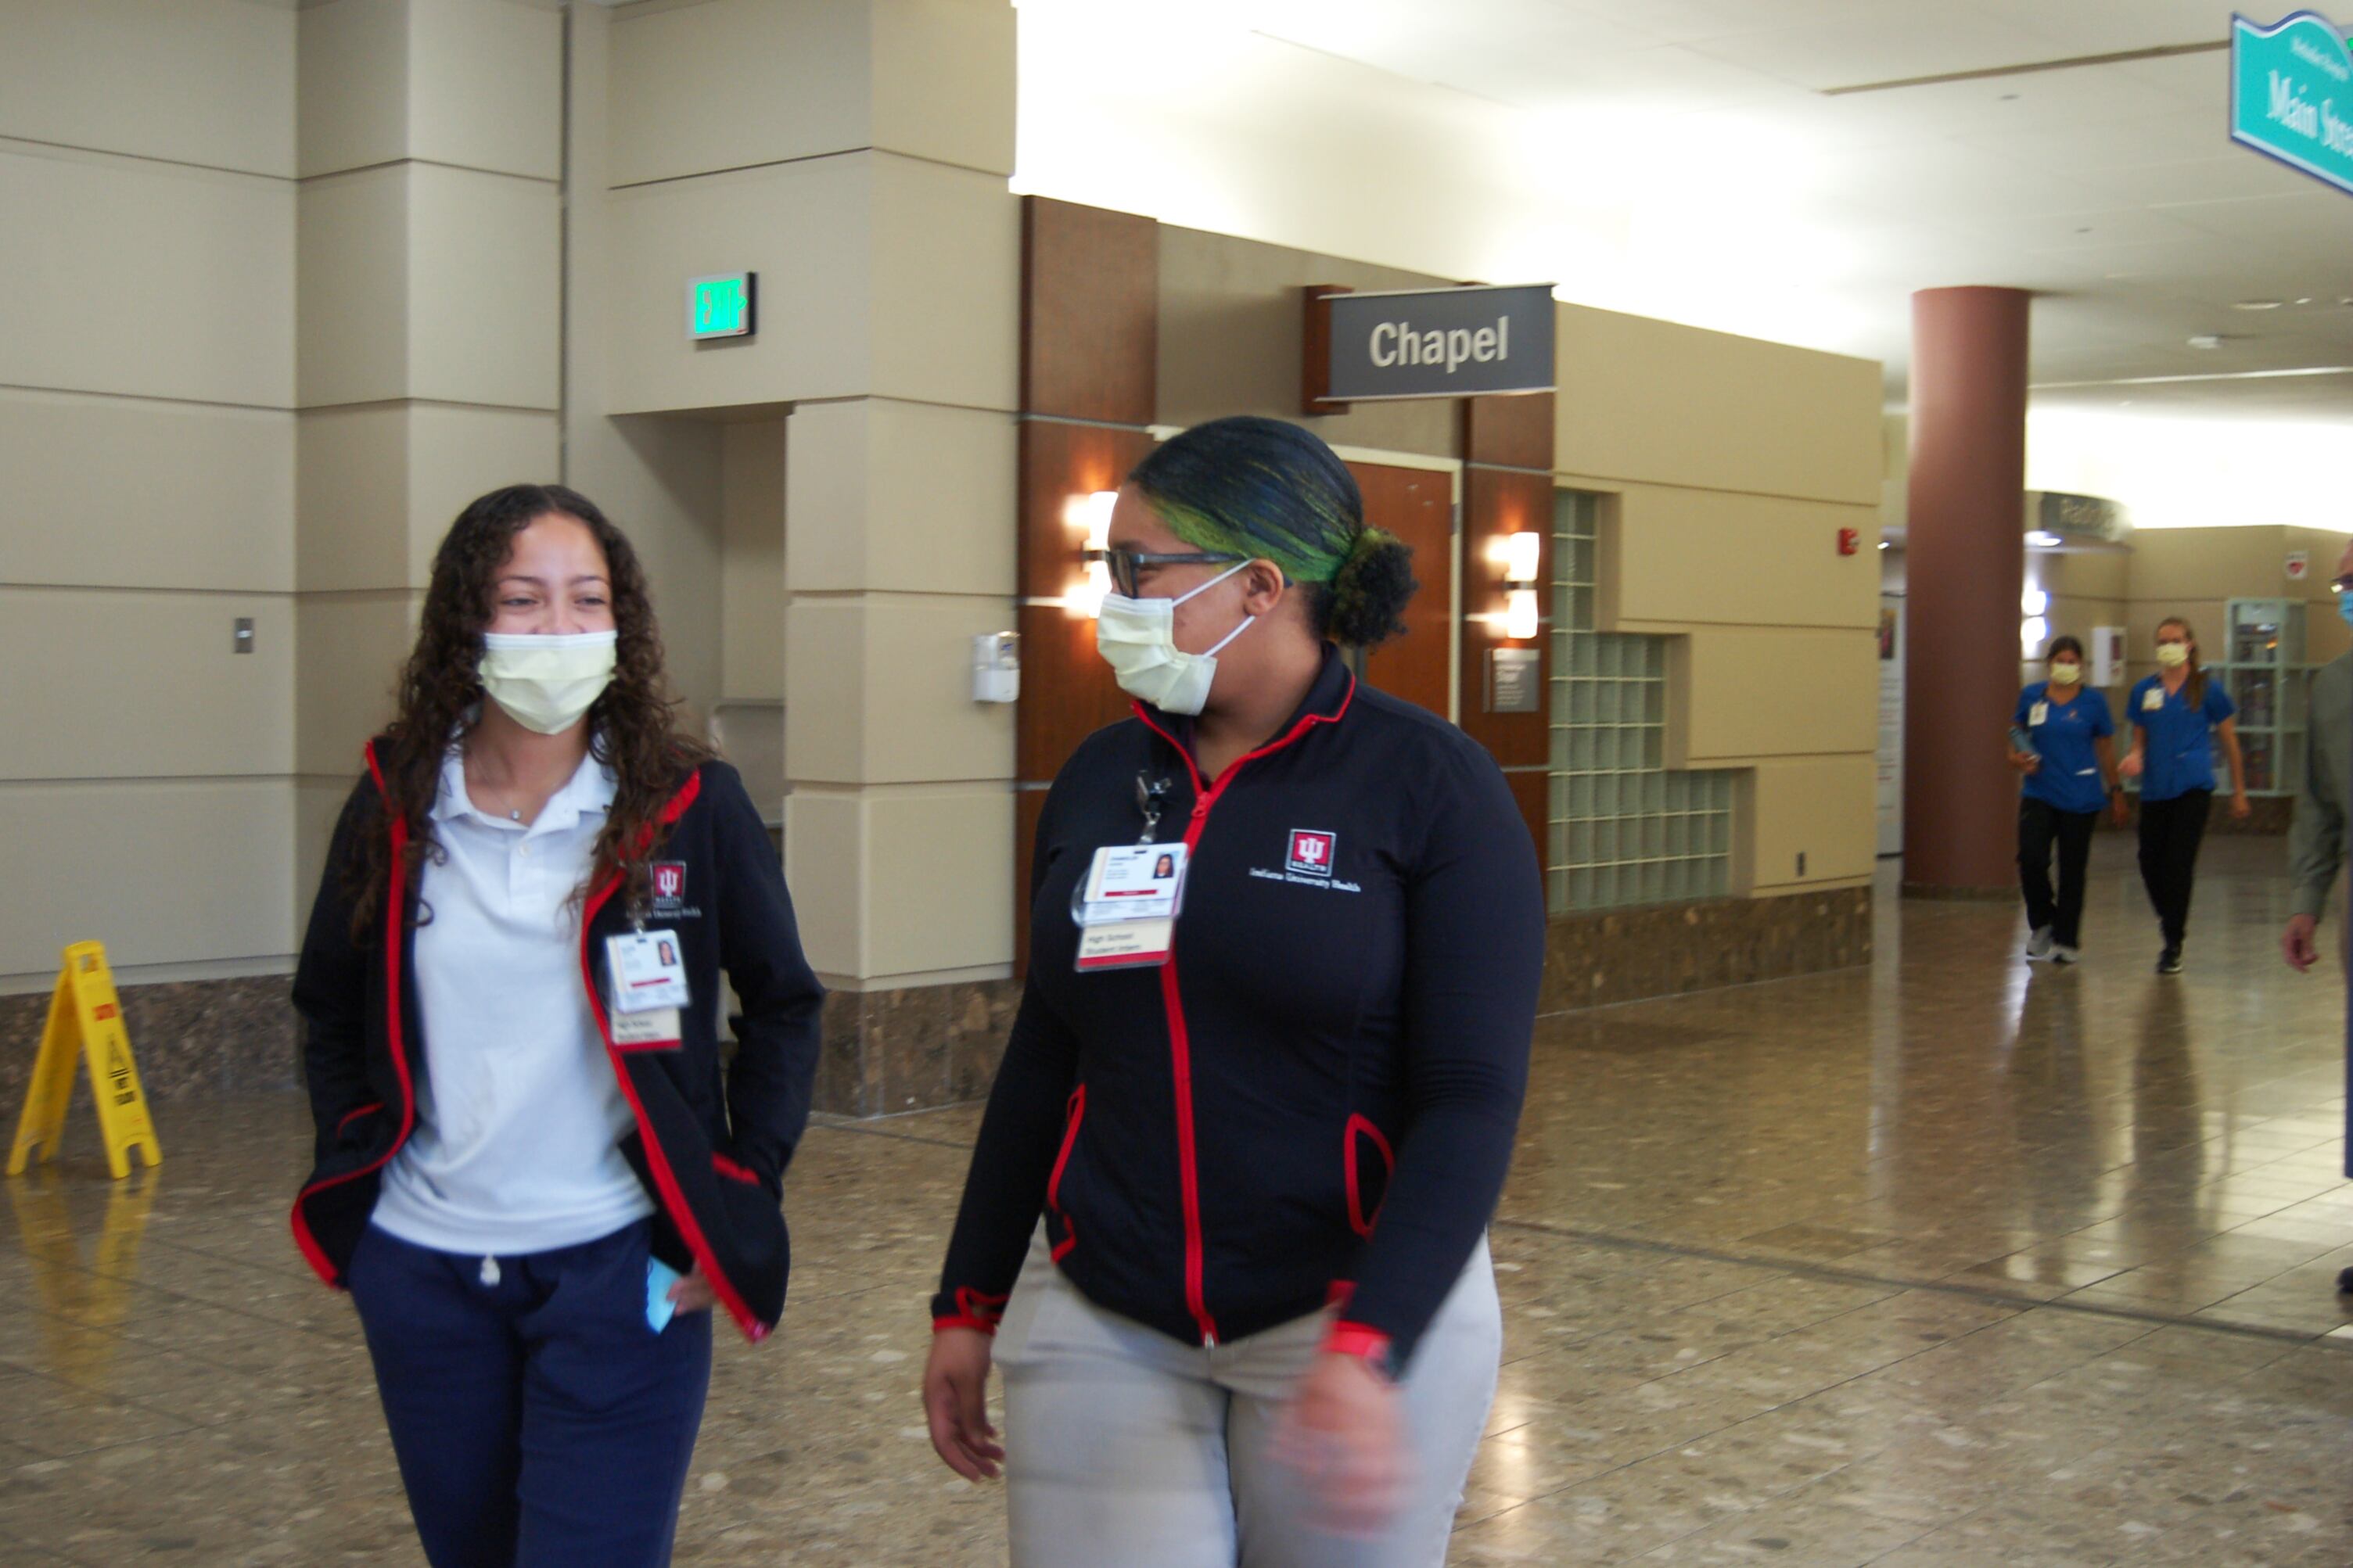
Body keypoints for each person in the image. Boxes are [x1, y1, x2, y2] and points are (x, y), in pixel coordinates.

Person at [921, 416, 1546, 1568]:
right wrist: (968, 1296)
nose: (1111, 597)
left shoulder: (1430, 785)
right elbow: (1048, 1051)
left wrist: (1372, 1340)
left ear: (1261, 586)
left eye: (1136, 568)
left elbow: (1470, 1096)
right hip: (1109, 1300)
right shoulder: (1106, 779)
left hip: (1349, 1309)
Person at [289, 483, 824, 1568]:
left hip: (622, 1270)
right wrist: (357, 1163)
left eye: (587, 601)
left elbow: (784, 1003)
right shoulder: (396, 800)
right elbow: (331, 1004)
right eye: (524, 601)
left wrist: (737, 1190)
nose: (560, 630)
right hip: (427, 1272)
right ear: (466, 624)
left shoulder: (685, 803)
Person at [2280, 547, 2353, 1296]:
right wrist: (2307, 899)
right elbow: (2320, 806)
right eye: (2345, 583)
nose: (2348, 593)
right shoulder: (2333, 688)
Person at [2119, 616, 2250, 974]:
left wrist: (2239, 791)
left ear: (2190, 644)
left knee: (2178, 862)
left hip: (2193, 787)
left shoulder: (2207, 688)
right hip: (2156, 788)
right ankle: (2170, 916)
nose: (2168, 646)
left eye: (2175, 640)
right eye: (2162, 641)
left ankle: (2173, 941)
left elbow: (2230, 741)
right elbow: (2138, 740)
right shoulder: (2145, 690)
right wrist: (2134, 756)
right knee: (2149, 860)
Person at [2010, 636, 2125, 964]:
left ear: (2082, 666)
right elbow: (2015, 733)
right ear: (2049, 664)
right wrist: (2016, 759)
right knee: (2031, 859)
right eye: (2060, 660)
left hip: (2080, 795)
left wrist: (2116, 790)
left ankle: (2068, 938)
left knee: (2073, 868)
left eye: (2072, 661)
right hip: (2039, 791)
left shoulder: (2093, 703)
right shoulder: (2032, 697)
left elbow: (2105, 747)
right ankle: (2043, 922)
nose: (2066, 667)